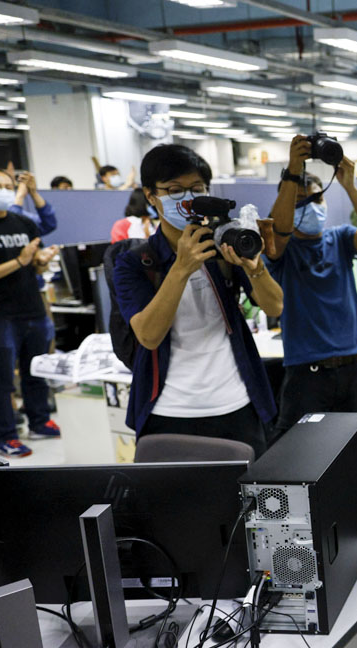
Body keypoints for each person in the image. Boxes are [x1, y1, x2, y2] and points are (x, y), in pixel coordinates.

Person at [112, 144, 283, 458]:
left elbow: (274, 307)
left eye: (196, 189)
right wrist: (181, 267)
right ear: (150, 195)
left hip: (237, 403)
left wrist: (255, 267)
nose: (187, 198)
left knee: (249, 504)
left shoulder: (222, 248)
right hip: (169, 412)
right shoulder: (135, 263)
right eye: (174, 190)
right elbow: (148, 336)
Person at [265, 136, 357, 436]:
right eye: (299, 203)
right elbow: (278, 234)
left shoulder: (340, 238)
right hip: (307, 373)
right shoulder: (282, 251)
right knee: (302, 458)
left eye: (316, 199)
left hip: (355, 367)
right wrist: (292, 171)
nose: (310, 207)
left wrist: (350, 187)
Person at [0, 167, 61, 457]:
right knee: (2, 379)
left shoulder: (22, 222)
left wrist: (41, 261)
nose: (4, 191)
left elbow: (35, 262)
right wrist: (20, 261)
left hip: (32, 309)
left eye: (8, 185)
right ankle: (4, 435)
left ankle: (39, 421)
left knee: (36, 372)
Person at [10, 171, 57, 236]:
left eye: (8, 186)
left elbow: (49, 225)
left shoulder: (23, 215)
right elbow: (12, 224)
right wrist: (20, 195)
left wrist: (33, 192)